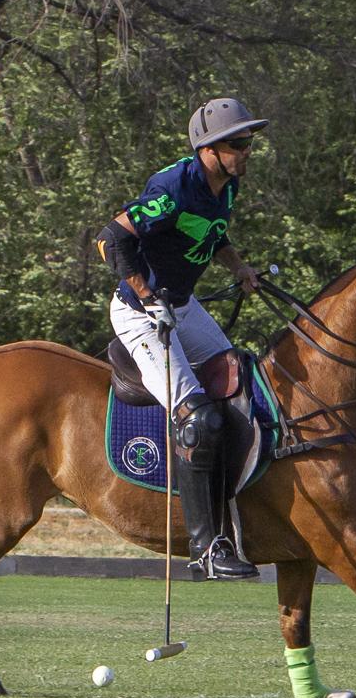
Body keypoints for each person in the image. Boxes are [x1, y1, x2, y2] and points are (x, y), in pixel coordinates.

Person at [95, 98, 269, 579]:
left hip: (184, 306)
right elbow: (111, 237)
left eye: (249, 141)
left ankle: (241, 514)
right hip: (140, 313)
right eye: (238, 143)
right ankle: (205, 549)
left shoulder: (226, 186)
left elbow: (214, 235)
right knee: (198, 418)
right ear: (209, 150)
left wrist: (239, 267)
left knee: (237, 381)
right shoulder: (173, 188)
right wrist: (148, 297)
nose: (247, 151)